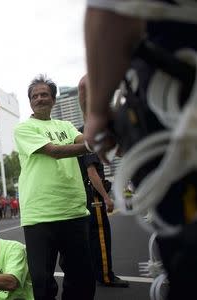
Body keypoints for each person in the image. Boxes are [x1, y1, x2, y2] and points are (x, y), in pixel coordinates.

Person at [83, 1, 197, 299]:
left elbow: (110, 13)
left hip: (177, 94)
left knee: (186, 254)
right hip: (175, 97)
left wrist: (96, 113)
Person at [14, 74, 95, 299]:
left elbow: (83, 139)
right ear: (30, 101)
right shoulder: (24, 128)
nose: (40, 98)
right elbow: (54, 152)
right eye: (35, 96)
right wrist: (91, 145)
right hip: (40, 215)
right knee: (42, 282)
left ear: (53, 100)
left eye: (44, 94)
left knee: (82, 279)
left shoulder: (66, 125)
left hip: (73, 210)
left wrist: (91, 134)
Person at [77, 75, 129, 288]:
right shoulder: (88, 135)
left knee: (90, 240)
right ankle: (106, 275)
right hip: (94, 196)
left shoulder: (83, 133)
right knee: (100, 238)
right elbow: (92, 172)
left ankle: (96, 273)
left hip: (87, 196)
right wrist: (106, 197)